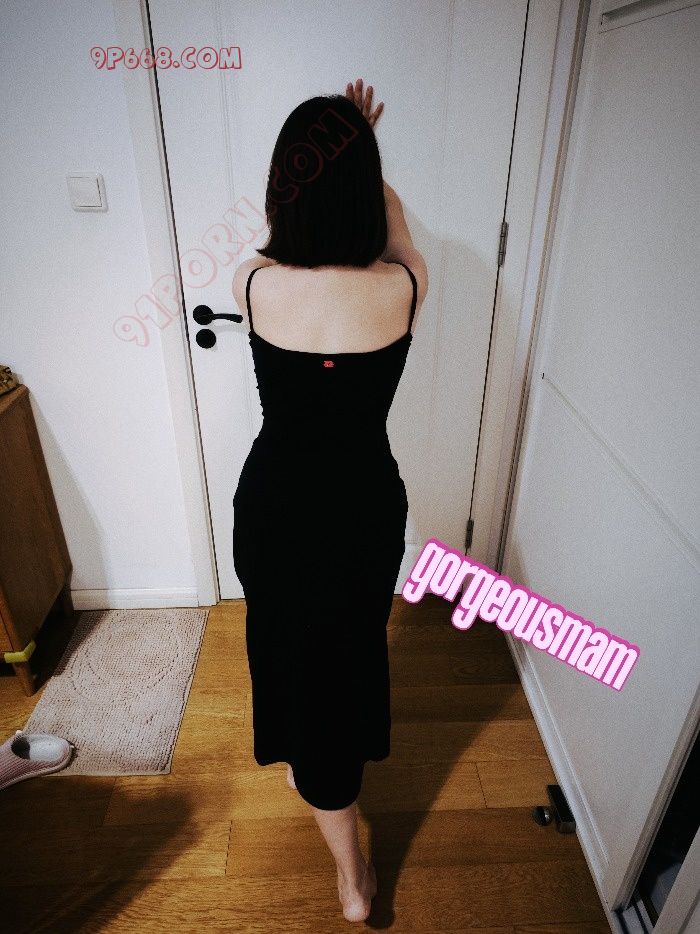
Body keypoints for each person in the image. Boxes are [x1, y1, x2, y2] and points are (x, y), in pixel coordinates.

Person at [231, 78, 428, 923]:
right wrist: (362, 156)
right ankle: (337, 819)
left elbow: (278, 227)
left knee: (292, 651)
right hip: (363, 510)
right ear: (364, 187)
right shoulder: (402, 286)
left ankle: (350, 871)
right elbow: (396, 224)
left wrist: (323, 159)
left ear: (287, 184)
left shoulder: (253, 282)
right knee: (344, 653)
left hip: (275, 508)